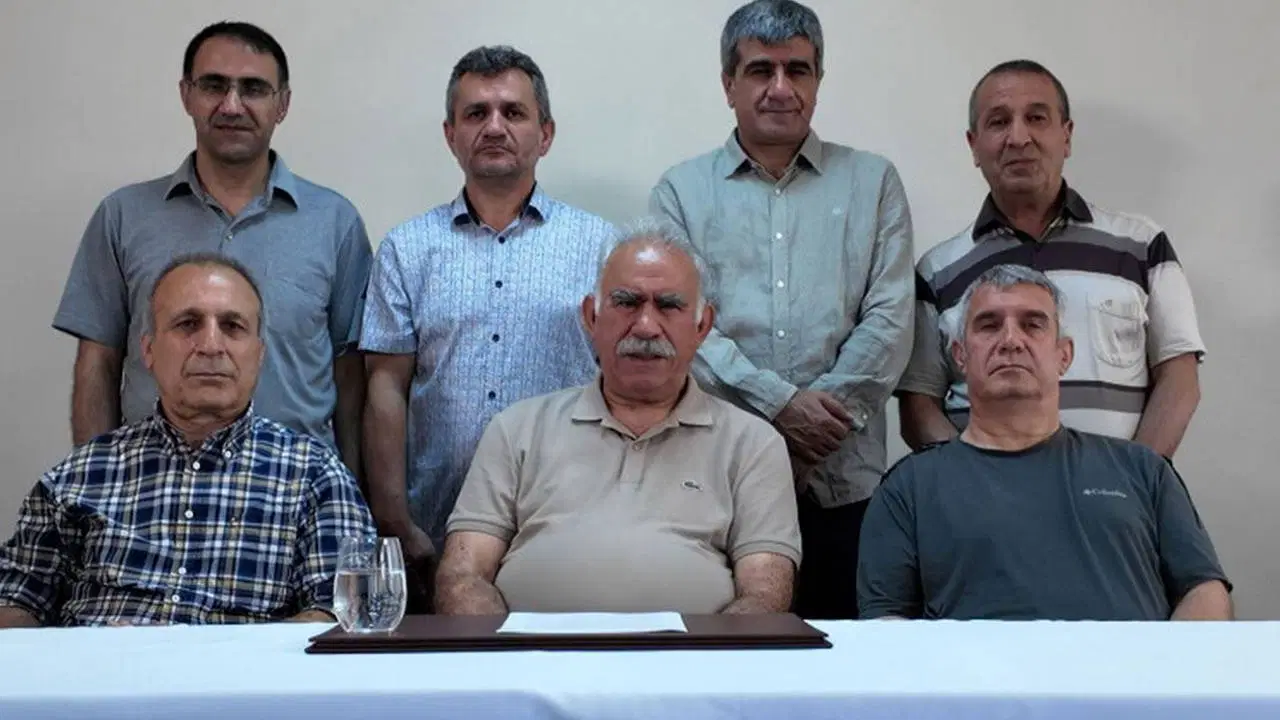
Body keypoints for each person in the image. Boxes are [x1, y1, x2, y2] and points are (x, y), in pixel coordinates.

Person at [649, 0, 914, 620]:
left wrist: (815, 430)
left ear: (817, 80)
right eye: (760, 70)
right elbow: (682, 325)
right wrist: (779, 411)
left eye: (797, 70)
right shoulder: (681, 192)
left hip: (845, 487)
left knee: (844, 661)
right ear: (728, 84)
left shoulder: (873, 182)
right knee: (718, 659)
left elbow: (891, 319)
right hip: (715, 481)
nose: (779, 88)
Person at [51, 21, 372, 477]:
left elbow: (350, 374)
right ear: (187, 95)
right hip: (149, 488)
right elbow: (98, 362)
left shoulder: (334, 222)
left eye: (254, 88)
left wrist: (351, 491)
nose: (232, 105)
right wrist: (94, 485)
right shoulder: (124, 216)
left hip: (292, 491)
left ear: (282, 104)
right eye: (214, 85)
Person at [433, 222, 801, 615]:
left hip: (692, 652)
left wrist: (705, 654)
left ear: (702, 326)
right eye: (626, 302)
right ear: (591, 317)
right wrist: (506, 648)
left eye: (669, 305)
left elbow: (764, 595)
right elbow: (462, 576)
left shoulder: (753, 444)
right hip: (531, 652)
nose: (646, 326)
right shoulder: (515, 429)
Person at [360, 45, 615, 610]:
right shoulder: (407, 248)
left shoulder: (599, 245)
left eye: (513, 112)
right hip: (436, 525)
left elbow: (622, 385)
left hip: (568, 525)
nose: (494, 127)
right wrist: (396, 520)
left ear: (545, 134)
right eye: (476, 113)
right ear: (450, 134)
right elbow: (385, 388)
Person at [0, 255, 374, 628]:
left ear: (259, 354)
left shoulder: (316, 478)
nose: (210, 345)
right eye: (188, 324)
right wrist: (89, 653)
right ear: (148, 350)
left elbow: (342, 617)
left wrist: (207, 654)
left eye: (232, 326)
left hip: (244, 668)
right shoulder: (78, 477)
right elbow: (15, 603)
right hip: (95, 664)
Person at [858, 264, 1231, 621]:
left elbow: (1204, 592)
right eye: (989, 325)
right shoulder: (908, 488)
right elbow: (884, 624)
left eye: (1032, 324)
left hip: (1131, 668)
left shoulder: (1142, 469)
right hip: (978, 670)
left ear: (1063, 356)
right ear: (960, 356)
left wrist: (1165, 665)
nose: (1010, 340)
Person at [897, 59, 1204, 461]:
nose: (1018, 137)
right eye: (998, 122)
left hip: (1117, 492)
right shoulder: (938, 271)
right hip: (983, 498)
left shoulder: (1142, 245)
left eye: (1036, 118)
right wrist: (972, 481)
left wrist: (1134, 480)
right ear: (974, 145)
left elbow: (1179, 379)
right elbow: (919, 404)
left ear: (1067, 136)